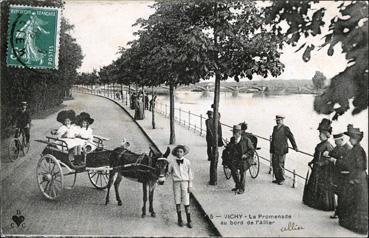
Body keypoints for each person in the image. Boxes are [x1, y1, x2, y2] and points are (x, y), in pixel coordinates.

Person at [330, 125, 368, 234]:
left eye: (351, 138)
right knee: (354, 200)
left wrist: (336, 161)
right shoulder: (357, 149)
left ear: (356, 139)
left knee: (354, 200)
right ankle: (350, 223)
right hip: (358, 178)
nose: (350, 140)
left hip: (357, 179)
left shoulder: (357, 150)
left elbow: (354, 165)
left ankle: (354, 225)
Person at [303, 118, 335, 211]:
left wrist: (321, 163)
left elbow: (329, 159)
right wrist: (312, 161)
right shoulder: (319, 145)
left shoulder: (328, 146)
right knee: (315, 186)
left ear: (325, 135)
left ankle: (322, 205)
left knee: (322, 187)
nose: (319, 136)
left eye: (320, 134)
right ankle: (313, 202)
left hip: (324, 171)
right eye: (319, 134)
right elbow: (316, 156)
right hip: (317, 168)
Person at [167, 145, 193, 228]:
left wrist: (190, 186)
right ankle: (180, 219)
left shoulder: (187, 162)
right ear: (175, 153)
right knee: (177, 200)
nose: (179, 153)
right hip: (176, 183)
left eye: (181, 152)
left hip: (185, 183)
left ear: (183, 153)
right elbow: (168, 172)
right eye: (178, 152)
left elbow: (190, 175)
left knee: (186, 201)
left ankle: (189, 220)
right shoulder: (172, 162)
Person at [328, 133, 352, 219]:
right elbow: (333, 153)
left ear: (342, 140)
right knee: (339, 194)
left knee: (343, 195)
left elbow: (347, 165)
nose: (335, 143)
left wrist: (335, 160)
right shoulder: (338, 147)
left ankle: (341, 213)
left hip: (345, 176)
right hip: (338, 175)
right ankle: (338, 212)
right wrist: (329, 154)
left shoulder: (348, 149)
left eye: (336, 141)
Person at [270, 115, 298, 185]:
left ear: (282, 120)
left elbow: (291, 137)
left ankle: (282, 179)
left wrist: (295, 146)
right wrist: (271, 149)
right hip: (275, 149)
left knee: (280, 165)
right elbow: (273, 139)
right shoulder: (275, 128)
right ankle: (277, 178)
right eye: (277, 120)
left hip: (282, 150)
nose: (278, 121)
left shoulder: (286, 128)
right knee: (274, 164)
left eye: (279, 120)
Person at [227, 125, 255, 194]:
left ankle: (241, 188)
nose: (234, 134)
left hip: (244, 160)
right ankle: (237, 185)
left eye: (235, 133)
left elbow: (252, 150)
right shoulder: (232, 139)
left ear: (239, 133)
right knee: (233, 172)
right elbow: (230, 147)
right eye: (233, 132)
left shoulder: (246, 140)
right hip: (235, 159)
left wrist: (246, 155)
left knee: (242, 173)